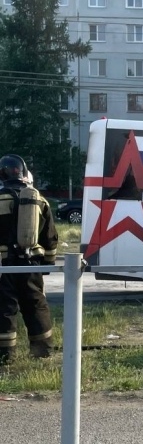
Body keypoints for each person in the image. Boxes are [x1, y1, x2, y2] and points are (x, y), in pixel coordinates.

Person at [0, 155, 58, 365]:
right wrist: (47, 265)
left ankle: (5, 357)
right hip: (31, 265)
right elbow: (50, 237)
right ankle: (42, 352)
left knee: (5, 309)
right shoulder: (40, 201)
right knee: (36, 306)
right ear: (25, 174)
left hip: (4, 267)